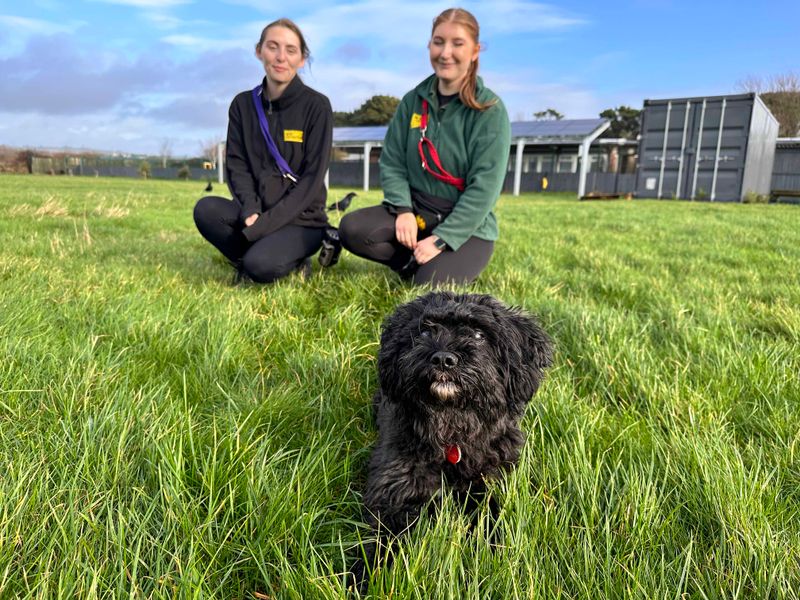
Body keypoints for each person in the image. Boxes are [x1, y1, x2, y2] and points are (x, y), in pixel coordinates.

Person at [339, 8, 511, 286]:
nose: (445, 53)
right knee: (352, 228)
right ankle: (408, 262)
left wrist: (443, 238)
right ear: (429, 45)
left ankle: (432, 264)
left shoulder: (489, 110)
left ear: (475, 51)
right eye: (438, 41)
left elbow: (485, 188)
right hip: (418, 211)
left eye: (458, 43)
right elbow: (392, 162)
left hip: (467, 227)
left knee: (428, 291)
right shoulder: (412, 102)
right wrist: (403, 209)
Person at [193, 18, 333, 284]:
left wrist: (262, 227)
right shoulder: (242, 105)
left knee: (260, 265)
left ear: (302, 59)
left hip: (303, 219)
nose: (281, 57)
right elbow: (237, 164)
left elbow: (311, 181)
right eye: (273, 47)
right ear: (259, 51)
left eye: (291, 50)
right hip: (257, 213)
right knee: (206, 209)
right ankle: (259, 255)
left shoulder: (317, 107)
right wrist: (249, 210)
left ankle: (283, 259)